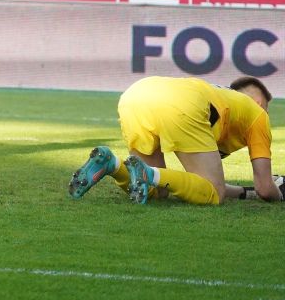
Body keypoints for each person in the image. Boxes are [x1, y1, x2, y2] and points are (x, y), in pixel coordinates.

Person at [69, 76, 283, 206]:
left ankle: (111, 164)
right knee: (214, 193)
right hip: (181, 103)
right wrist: (278, 194)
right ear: (259, 101)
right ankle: (148, 173)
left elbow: (197, 179)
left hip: (136, 94)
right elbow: (265, 188)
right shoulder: (258, 115)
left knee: (155, 192)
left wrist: (246, 192)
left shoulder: (224, 98)